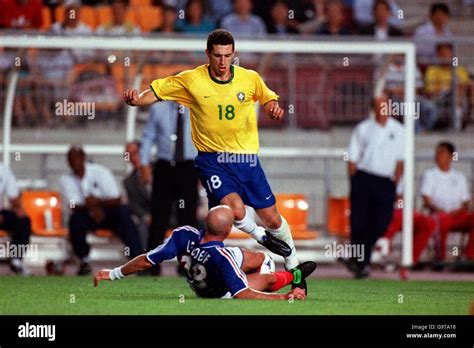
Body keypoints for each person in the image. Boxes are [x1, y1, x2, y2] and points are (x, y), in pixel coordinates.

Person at [123, 29, 305, 291]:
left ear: (234, 54)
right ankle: (262, 238)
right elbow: (157, 91)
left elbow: (268, 97)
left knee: (273, 218)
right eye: (217, 56)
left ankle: (293, 264)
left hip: (247, 161)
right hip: (212, 161)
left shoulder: (249, 78)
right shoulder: (191, 80)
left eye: (228, 56)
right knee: (236, 211)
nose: (222, 62)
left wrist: (272, 107)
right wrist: (137, 100)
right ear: (208, 54)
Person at [94, 205, 317, 300]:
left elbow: (147, 260)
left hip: (200, 280)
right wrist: (284, 298)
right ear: (229, 230)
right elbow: (243, 294)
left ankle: (280, 270)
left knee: (258, 258)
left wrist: (113, 273)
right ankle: (294, 276)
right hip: (221, 293)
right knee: (267, 278)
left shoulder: (182, 235)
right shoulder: (224, 258)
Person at [346, 93, 404, 278]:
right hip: (364, 178)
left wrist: (398, 188)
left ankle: (358, 260)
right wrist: (355, 183)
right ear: (373, 108)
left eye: (385, 104)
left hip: (386, 182)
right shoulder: (362, 128)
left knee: (381, 222)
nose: (382, 108)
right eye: (379, 105)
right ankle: (361, 264)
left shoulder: (400, 130)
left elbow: (401, 162)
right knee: (358, 222)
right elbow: (352, 159)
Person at [59, 145, 142, 275]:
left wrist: (96, 203)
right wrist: (92, 207)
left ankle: (137, 258)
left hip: (108, 211)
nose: (73, 162)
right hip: (85, 214)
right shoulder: (65, 179)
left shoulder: (101, 172)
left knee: (123, 213)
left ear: (83, 158)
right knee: (75, 220)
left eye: (76, 158)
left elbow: (117, 198)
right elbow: (73, 205)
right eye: (70, 159)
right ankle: (84, 260)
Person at [139, 101, 198, 276]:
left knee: (188, 218)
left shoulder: (197, 108)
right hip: (164, 167)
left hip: (189, 167)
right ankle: (151, 264)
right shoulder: (158, 109)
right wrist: (144, 164)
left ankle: (186, 264)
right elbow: (148, 136)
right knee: (158, 217)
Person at [420, 142, 474, 270]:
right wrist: (440, 210)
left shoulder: (459, 176)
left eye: (442, 152)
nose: (438, 156)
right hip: (440, 214)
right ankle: (440, 260)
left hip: (458, 215)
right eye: (437, 152)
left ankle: (469, 258)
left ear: (451, 156)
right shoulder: (430, 174)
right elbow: (426, 200)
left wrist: (457, 211)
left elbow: (465, 202)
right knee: (438, 221)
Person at [424, 43, 472, 130]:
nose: (446, 57)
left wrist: (454, 87)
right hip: (440, 97)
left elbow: (466, 84)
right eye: (443, 54)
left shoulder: (458, 68)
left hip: (457, 95)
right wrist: (447, 88)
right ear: (438, 55)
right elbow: (430, 91)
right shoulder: (433, 69)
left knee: (463, 87)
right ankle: (457, 123)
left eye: (448, 54)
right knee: (458, 88)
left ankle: (460, 117)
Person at [0, 163, 32, 275]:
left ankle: (16, 261)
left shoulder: (3, 170)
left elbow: (14, 197)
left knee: (23, 220)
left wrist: (18, 207)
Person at [123, 141, 151, 250]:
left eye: (136, 153)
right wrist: (146, 217)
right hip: (148, 219)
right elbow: (135, 206)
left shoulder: (162, 170)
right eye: (130, 155)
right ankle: (146, 261)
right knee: (141, 226)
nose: (134, 158)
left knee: (198, 220)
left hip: (169, 214)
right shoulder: (128, 182)